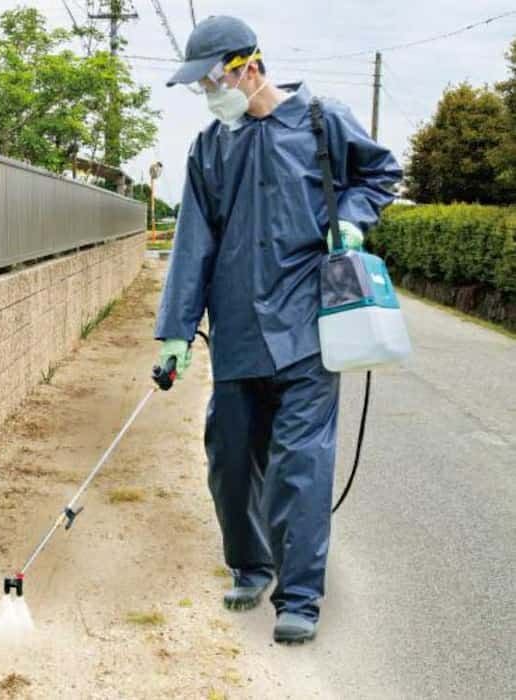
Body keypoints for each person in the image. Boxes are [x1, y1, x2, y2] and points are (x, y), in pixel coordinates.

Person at [153, 16, 402, 644]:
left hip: (309, 327)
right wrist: (176, 331)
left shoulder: (321, 120)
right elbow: (193, 241)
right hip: (237, 329)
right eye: (201, 85)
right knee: (230, 459)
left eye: (213, 80)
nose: (208, 93)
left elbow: (380, 173)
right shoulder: (211, 147)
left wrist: (353, 218)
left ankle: (299, 598)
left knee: (300, 465)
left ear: (249, 67)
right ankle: (251, 564)